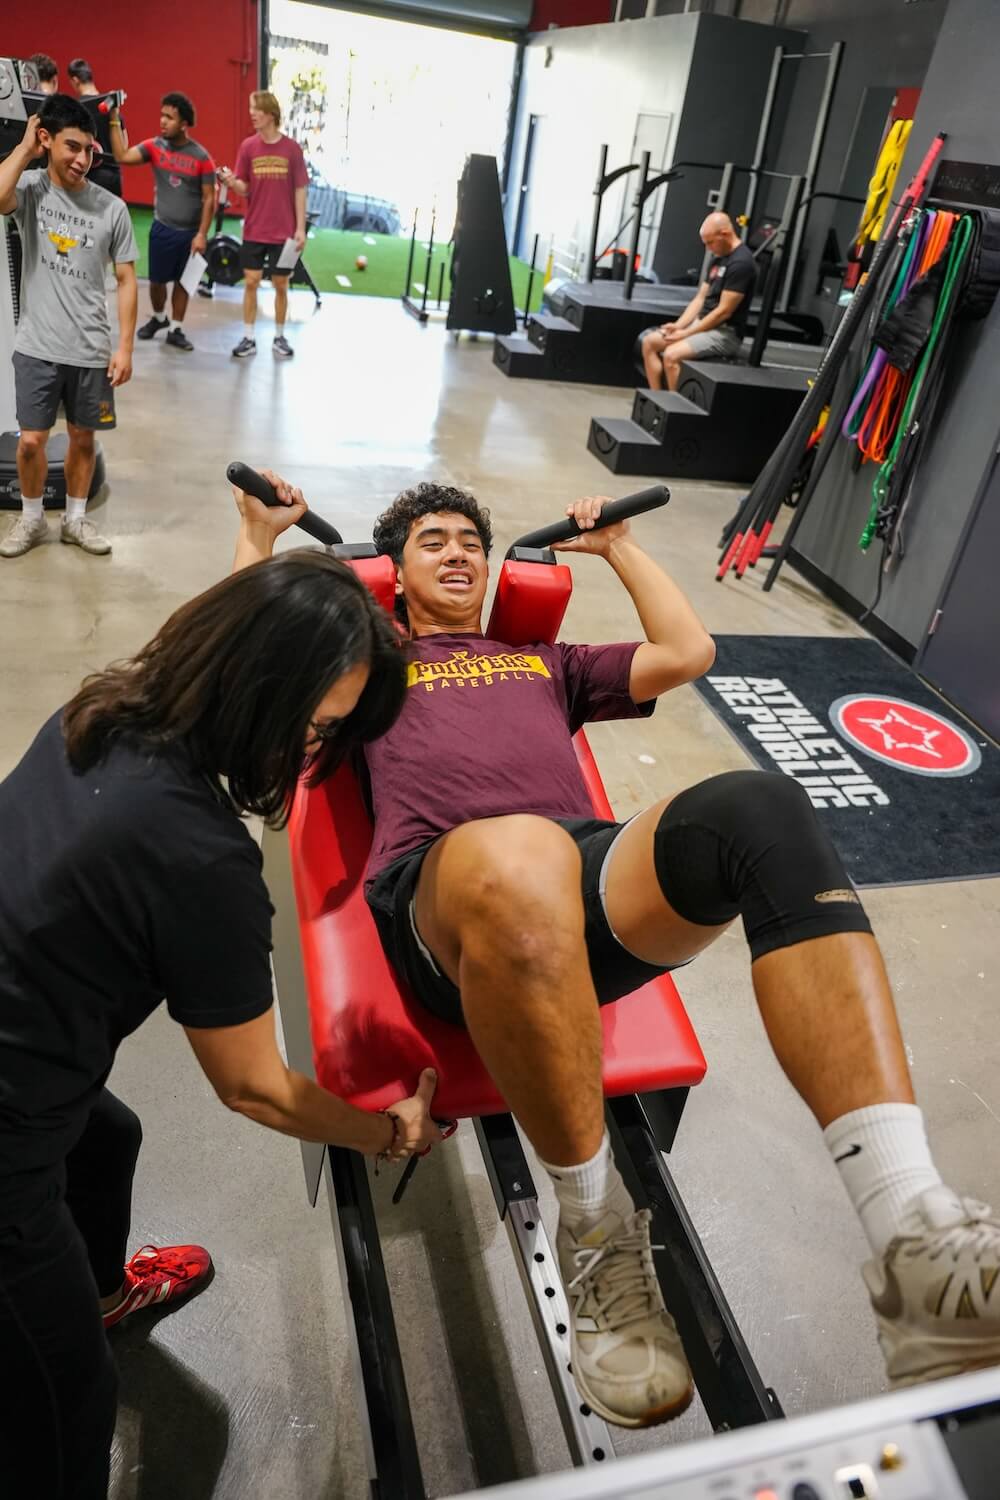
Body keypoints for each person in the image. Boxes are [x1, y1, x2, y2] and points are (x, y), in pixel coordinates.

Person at [239, 481, 1000, 1431]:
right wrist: (257, 540)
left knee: (758, 806)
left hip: (581, 882)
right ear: (392, 572)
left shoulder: (545, 662)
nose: (458, 553)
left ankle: (914, 1230)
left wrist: (620, 547)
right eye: (432, 541)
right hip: (448, 908)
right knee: (520, 855)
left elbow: (688, 652)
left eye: (471, 540)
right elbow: (247, 680)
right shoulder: (370, 669)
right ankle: (594, 1230)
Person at [0, 506, 441, 1500]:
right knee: (66, 1404)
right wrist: (387, 1133)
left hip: (27, 1032)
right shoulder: (199, 857)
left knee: (105, 1139)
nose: (315, 755)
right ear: (259, 693)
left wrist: (256, 542)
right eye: (316, 729)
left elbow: (228, 628)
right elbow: (255, 1088)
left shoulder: (102, 714)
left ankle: (100, 1293)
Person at [0, 99, 137, 561]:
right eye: (72, 147)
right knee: (30, 443)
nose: (82, 159)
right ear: (47, 140)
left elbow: (126, 280)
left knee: (83, 439)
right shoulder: (31, 190)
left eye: (89, 150)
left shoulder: (112, 208)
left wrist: (124, 347)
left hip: (90, 347)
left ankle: (75, 519)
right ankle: (33, 517)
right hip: (36, 345)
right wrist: (24, 149)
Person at [108, 92, 215, 352]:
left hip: (189, 234)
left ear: (184, 124)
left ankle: (176, 328)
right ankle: (159, 318)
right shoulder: (154, 147)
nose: (163, 121)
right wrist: (113, 119)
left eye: (170, 117)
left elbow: (210, 198)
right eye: (162, 115)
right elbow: (122, 155)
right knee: (157, 282)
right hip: (162, 229)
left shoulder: (201, 157)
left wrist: (202, 234)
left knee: (183, 283)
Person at [218, 90, 307, 361]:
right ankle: (248, 337)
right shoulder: (248, 147)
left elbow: (300, 190)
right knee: (251, 282)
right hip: (255, 229)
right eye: (251, 109)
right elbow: (245, 188)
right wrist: (232, 182)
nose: (252, 114)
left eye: (256, 109)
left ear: (270, 114)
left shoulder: (292, 149)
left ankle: (279, 336)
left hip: (284, 232)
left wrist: (300, 228)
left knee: (281, 283)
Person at [641, 212, 756, 390]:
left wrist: (686, 333)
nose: (708, 248)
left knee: (671, 356)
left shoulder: (741, 263)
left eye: (710, 242)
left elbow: (723, 312)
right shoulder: (718, 259)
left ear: (725, 234)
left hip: (725, 333)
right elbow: (700, 298)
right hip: (702, 324)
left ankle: (674, 406)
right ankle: (657, 398)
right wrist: (679, 326)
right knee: (649, 342)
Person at [66, 57, 124, 198]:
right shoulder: (112, 107)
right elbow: (123, 148)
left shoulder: (75, 109)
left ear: (75, 80)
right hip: (114, 178)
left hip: (88, 177)